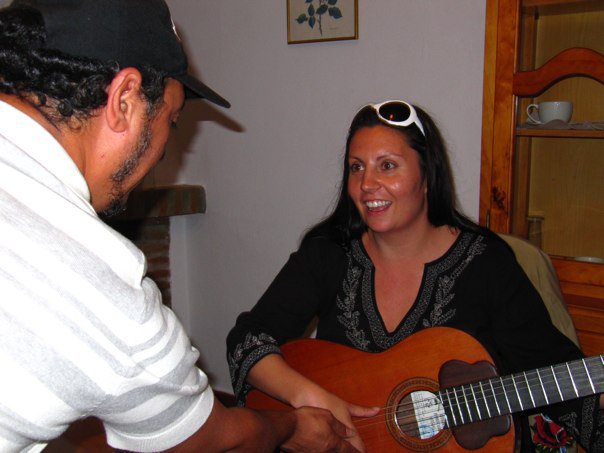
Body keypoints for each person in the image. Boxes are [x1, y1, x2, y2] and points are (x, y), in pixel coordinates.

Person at [0, 1, 359, 452]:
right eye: (171, 120)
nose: (166, 151)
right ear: (125, 100)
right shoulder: (102, 285)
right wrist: (290, 427)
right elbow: (213, 442)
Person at [227, 100, 604, 451]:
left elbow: (562, 377)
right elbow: (247, 339)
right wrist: (312, 399)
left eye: (387, 165)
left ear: (427, 176)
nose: (366, 184)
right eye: (356, 167)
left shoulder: (486, 263)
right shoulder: (329, 252)